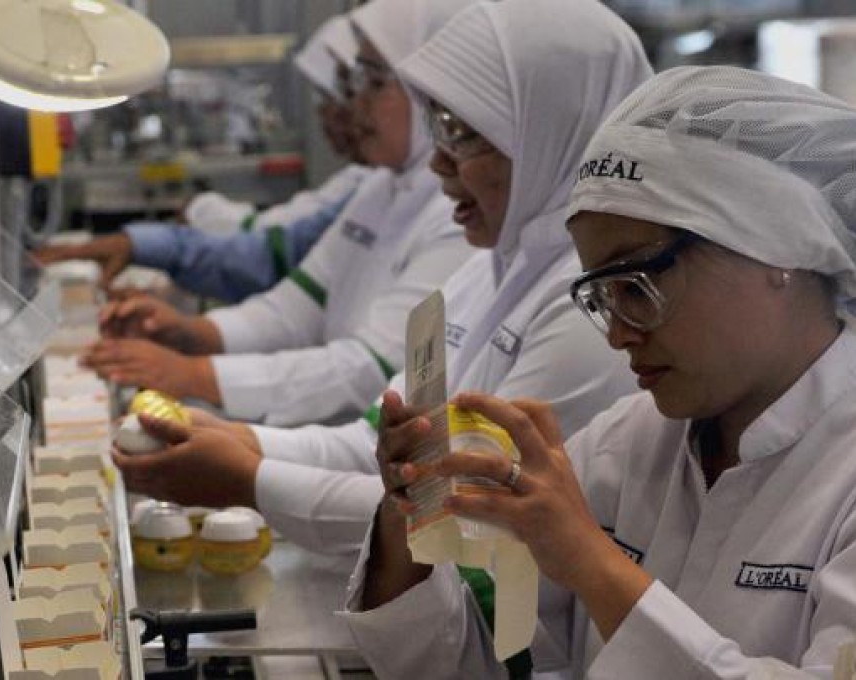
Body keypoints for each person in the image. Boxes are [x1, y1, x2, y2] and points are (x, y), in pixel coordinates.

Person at [344, 64, 856, 678]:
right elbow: (478, 665)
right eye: (602, 298)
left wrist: (592, 561)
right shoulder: (631, 443)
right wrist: (411, 513)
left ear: (777, 245)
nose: (617, 334)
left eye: (637, 285)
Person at [110, 0, 650, 570]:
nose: (439, 164)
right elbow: (380, 442)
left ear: (549, 132)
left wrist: (252, 478)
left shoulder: (590, 308)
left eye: (465, 134)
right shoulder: (494, 269)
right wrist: (239, 439)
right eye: (439, 127)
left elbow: (461, 512)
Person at [80, 0, 478, 428]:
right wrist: (192, 334)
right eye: (352, 83)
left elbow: (371, 368)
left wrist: (195, 374)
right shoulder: (382, 186)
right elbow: (297, 306)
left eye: (374, 82)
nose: (355, 106)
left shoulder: (458, 215)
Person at [34, 14, 370, 302]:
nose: (329, 116)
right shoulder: (369, 184)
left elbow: (270, 252)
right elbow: (277, 243)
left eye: (337, 98)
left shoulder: (377, 189)